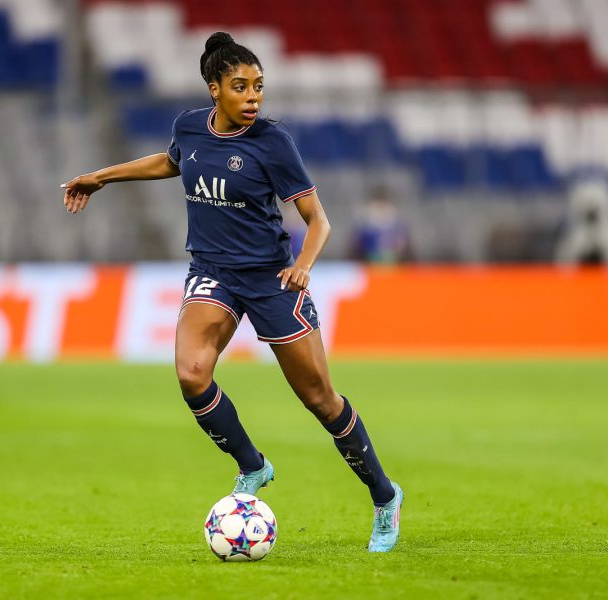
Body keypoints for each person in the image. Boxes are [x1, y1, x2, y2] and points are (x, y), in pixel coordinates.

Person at [60, 32, 403, 552]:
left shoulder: (272, 143)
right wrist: (102, 177)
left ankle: (384, 496)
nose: (252, 97)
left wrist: (304, 266)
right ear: (213, 89)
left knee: (320, 399)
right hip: (213, 271)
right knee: (191, 373)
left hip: (271, 278)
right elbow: (170, 161)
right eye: (240, 86)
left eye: (259, 87)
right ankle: (252, 464)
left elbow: (318, 221)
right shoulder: (190, 128)